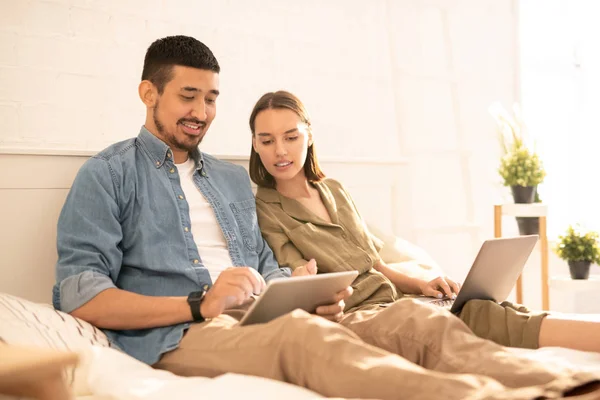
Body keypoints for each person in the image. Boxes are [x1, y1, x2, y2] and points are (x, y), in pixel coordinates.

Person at [54, 36, 599, 400]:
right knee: (305, 341)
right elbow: (81, 296)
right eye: (188, 96)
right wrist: (199, 301)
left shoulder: (226, 178)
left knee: (418, 320)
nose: (201, 112)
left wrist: (297, 289)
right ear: (149, 92)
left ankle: (565, 383)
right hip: (181, 334)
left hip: (263, 315)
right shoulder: (107, 176)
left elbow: (264, 264)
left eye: (212, 98)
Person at [250, 90, 600, 354]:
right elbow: (296, 277)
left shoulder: (334, 190)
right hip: (361, 313)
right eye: (267, 141)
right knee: (478, 320)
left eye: (290, 137)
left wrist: (421, 284)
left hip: (396, 298)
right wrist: (303, 279)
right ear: (256, 145)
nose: (280, 151)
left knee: (483, 306)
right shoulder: (266, 207)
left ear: (308, 135)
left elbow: (376, 264)